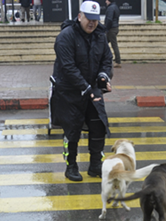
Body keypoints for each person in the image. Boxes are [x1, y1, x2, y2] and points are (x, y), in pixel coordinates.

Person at [50, 0, 115, 181]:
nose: (92, 23)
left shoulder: (100, 36)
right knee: (72, 130)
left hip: (92, 90)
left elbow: (107, 60)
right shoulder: (66, 36)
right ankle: (71, 166)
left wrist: (103, 77)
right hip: (69, 91)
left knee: (98, 126)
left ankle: (95, 165)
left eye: (95, 19)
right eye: (88, 19)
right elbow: (68, 67)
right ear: (80, 16)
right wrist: (86, 88)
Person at [105, 0, 122, 68]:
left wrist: (106, 28)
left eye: (106, 0)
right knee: (104, 43)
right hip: (114, 27)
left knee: (114, 45)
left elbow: (109, 19)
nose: (105, 2)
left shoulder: (110, 8)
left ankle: (118, 61)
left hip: (111, 29)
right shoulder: (115, 7)